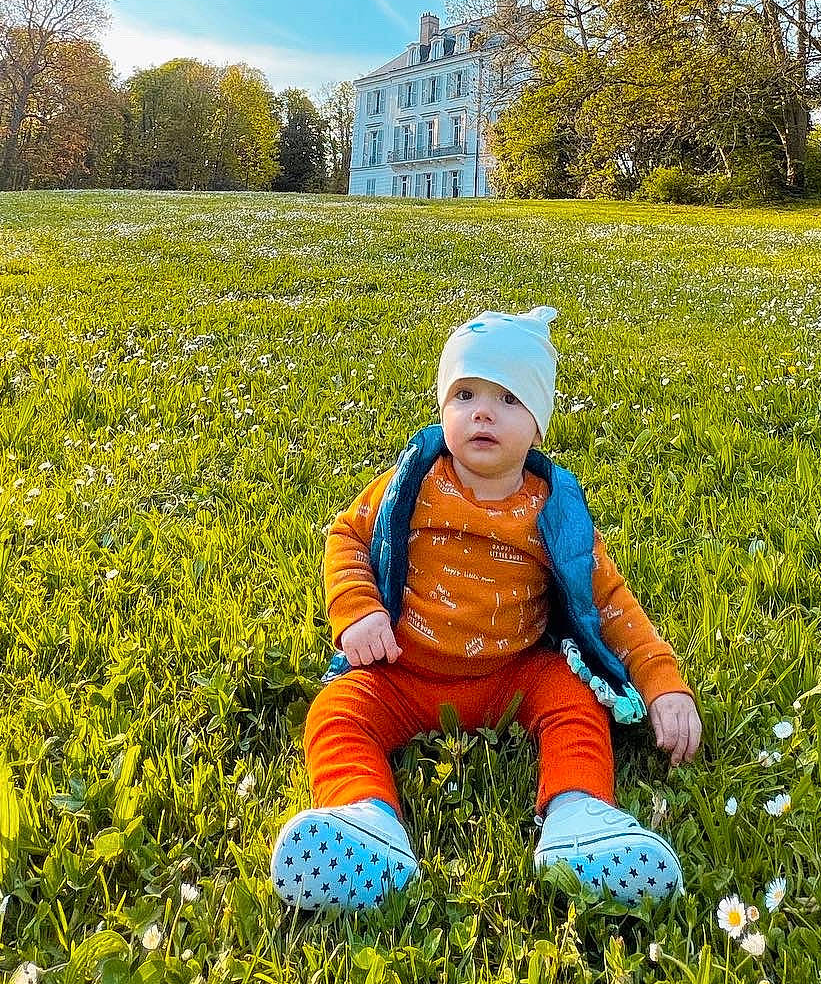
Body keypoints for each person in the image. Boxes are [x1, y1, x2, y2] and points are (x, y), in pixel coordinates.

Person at [270, 306, 701, 912]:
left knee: (576, 703)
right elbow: (347, 537)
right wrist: (358, 611)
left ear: (539, 426)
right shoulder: (413, 484)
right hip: (404, 669)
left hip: (513, 674)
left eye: (508, 398)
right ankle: (362, 819)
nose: (482, 412)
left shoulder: (552, 509)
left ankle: (580, 819)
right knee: (337, 711)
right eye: (465, 393)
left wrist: (663, 685)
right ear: (443, 408)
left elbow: (609, 601)